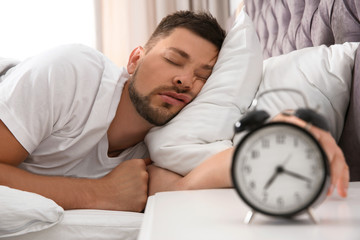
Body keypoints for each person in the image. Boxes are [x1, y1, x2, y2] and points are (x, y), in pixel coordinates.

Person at [0, 10, 348, 214]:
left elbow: (185, 188)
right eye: (173, 60)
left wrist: (282, 133)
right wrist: (98, 194)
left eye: (202, 77)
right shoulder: (71, 72)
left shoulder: (162, 142)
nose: (185, 80)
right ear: (135, 59)